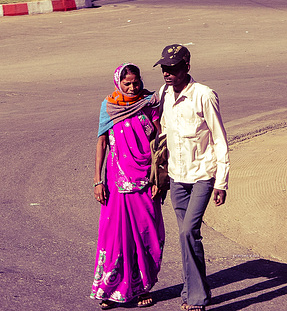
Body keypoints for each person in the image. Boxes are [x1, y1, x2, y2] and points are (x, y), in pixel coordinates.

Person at [154, 44, 230, 311]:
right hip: (177, 176)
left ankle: (197, 298)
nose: (167, 73)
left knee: (188, 231)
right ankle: (191, 291)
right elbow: (162, 130)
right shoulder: (164, 94)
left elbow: (220, 140)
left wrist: (221, 181)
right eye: (164, 68)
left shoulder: (203, 95)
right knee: (188, 236)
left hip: (202, 175)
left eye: (173, 68)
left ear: (187, 67)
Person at [91, 63, 165, 310]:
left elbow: (160, 141)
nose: (133, 87)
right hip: (116, 183)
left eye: (136, 82)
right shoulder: (109, 106)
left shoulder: (150, 103)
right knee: (115, 236)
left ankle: (141, 286)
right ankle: (110, 287)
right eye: (127, 84)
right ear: (118, 83)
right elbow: (102, 143)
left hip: (145, 180)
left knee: (146, 233)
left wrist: (158, 179)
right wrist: (97, 180)